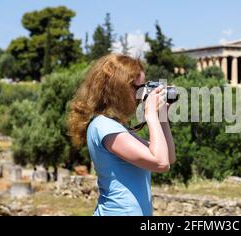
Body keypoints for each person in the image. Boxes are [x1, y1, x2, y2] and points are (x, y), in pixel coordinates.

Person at [67, 54, 176, 216]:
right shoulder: (104, 127)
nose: (142, 95)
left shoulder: (119, 127)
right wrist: (151, 115)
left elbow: (168, 157)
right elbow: (161, 164)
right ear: (118, 89)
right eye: (137, 88)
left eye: (144, 87)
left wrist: (163, 119)